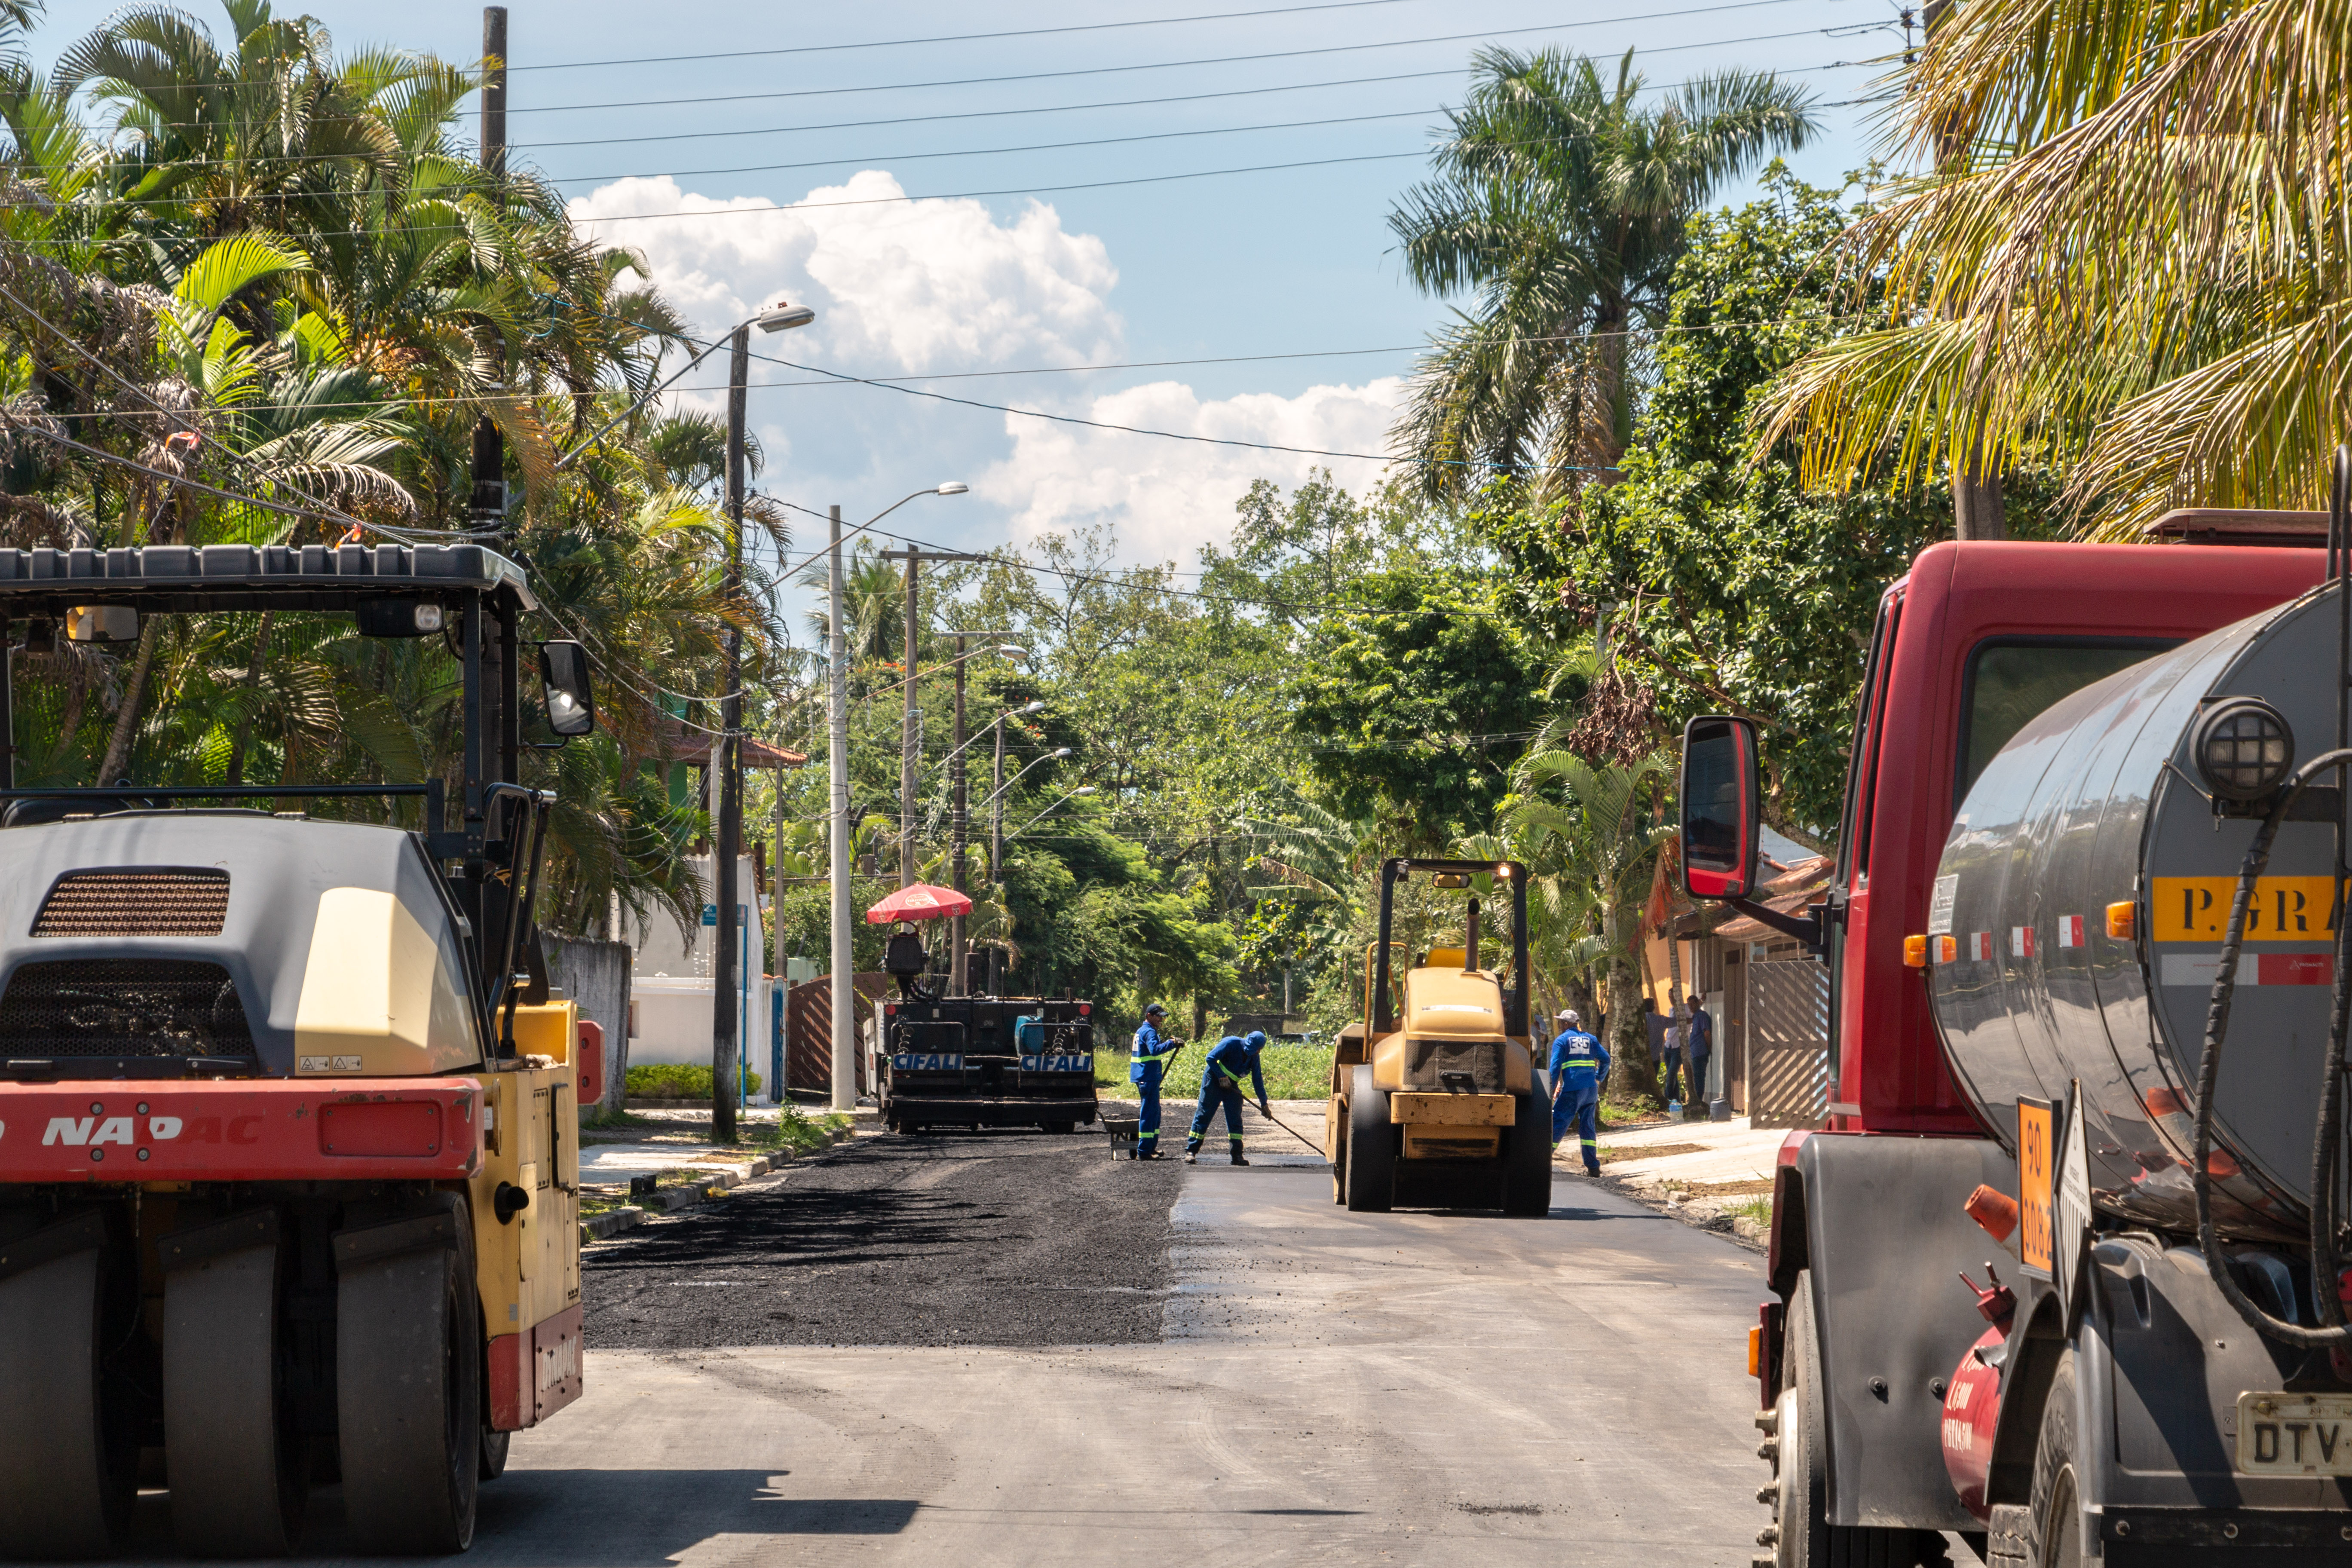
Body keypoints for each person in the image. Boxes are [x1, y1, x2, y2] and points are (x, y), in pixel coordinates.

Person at [1185, 1029, 1269, 1165]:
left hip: (1231, 1086)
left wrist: (1264, 1104)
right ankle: (1191, 1151)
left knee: (1235, 1118)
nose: (1254, 1052)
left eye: (1257, 1050)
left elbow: (1258, 1080)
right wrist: (1221, 1076)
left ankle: (1237, 1155)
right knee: (1204, 1115)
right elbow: (1210, 1058)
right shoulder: (1231, 1043)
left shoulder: (1254, 1057)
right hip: (1213, 1080)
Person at [1547, 1009, 1610, 1176]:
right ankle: (1593, 1167)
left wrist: (1549, 1092)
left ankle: (1542, 1159)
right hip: (1590, 1091)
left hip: (1573, 1090)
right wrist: (1598, 1078)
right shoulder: (1591, 1039)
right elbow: (1606, 1059)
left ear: (1566, 1024)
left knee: (1557, 1124)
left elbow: (1554, 1069)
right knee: (1588, 1128)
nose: (1560, 1024)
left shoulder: (1562, 1041)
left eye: (1561, 1022)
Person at [1129, 1004, 1185, 1159]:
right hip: (1147, 1077)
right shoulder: (1149, 1032)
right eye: (1158, 1016)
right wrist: (1171, 1044)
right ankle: (1144, 1152)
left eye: (1162, 1016)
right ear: (1149, 1016)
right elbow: (1154, 1050)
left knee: (1155, 1113)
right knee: (1149, 1114)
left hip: (1147, 1076)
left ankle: (1151, 1148)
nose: (1161, 1019)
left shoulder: (1143, 1031)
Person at [1660, 990, 1690, 1105]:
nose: (1671, 999)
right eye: (1669, 997)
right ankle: (1676, 1100)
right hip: (1669, 1046)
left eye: (1672, 997)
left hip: (1678, 1047)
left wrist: (1683, 1022)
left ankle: (1668, 1098)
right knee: (1673, 1076)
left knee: (1671, 1074)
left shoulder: (1685, 1008)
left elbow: (1695, 1011)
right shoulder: (1671, 1009)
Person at [1686, 996, 1715, 1113]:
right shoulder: (1695, 1017)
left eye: (1693, 1004)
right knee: (1695, 1077)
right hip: (1694, 1052)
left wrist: (1708, 1047)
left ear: (1698, 1003)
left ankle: (1699, 1101)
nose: (1691, 1007)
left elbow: (1707, 1033)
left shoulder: (1702, 1016)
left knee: (1699, 1077)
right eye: (1689, 1005)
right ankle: (1695, 1100)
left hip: (1700, 1051)